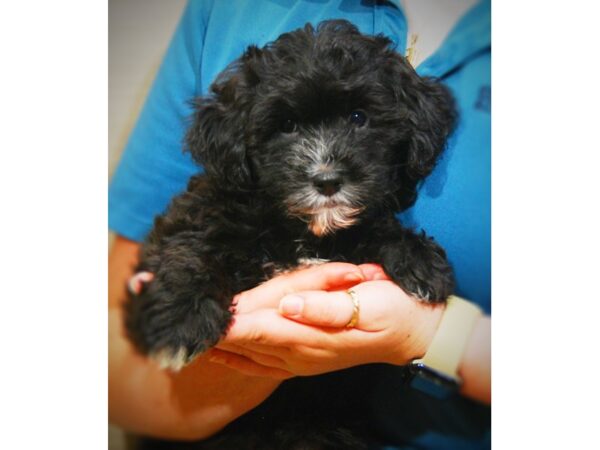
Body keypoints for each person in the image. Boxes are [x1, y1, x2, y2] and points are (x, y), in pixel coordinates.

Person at [109, 0, 491, 448]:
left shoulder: (378, 229)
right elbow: (125, 349)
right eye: (287, 126)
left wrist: (429, 330)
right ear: (241, 144)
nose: (324, 166)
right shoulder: (222, 13)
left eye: (356, 119)